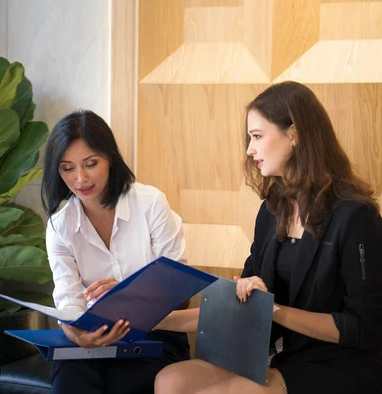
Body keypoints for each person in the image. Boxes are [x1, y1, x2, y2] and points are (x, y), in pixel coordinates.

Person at [153, 81, 382, 394]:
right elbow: (241, 306)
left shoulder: (356, 216)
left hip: (338, 363)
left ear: (293, 134)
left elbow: (365, 327)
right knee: (169, 381)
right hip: (276, 354)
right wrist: (153, 318)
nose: (249, 149)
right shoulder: (271, 212)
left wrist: (275, 310)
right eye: (250, 138)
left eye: (257, 136)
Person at [41, 110, 190, 394]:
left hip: (155, 336)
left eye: (90, 163)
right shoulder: (60, 226)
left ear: (110, 158)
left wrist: (129, 296)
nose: (80, 178)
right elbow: (68, 296)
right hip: (93, 341)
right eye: (67, 168)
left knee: (126, 383)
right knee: (68, 378)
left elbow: (180, 294)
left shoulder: (150, 204)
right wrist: (77, 331)